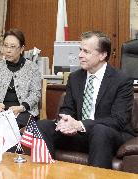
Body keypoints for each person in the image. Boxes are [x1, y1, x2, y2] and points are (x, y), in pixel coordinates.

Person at [37, 31, 135, 169]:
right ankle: (46, 173)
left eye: (86, 51)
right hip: (80, 134)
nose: (80, 55)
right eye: (80, 50)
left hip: (110, 134)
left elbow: (118, 120)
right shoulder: (75, 77)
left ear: (102, 55)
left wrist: (80, 125)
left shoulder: (121, 80)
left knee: (100, 131)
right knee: (42, 126)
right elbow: (67, 109)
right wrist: (66, 121)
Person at [0, 28, 41, 148]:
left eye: (12, 46)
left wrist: (21, 107)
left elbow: (35, 94)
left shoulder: (32, 68)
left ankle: (8, 163)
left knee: (9, 125)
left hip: (23, 112)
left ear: (22, 48)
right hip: (0, 111)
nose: (8, 50)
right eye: (6, 46)